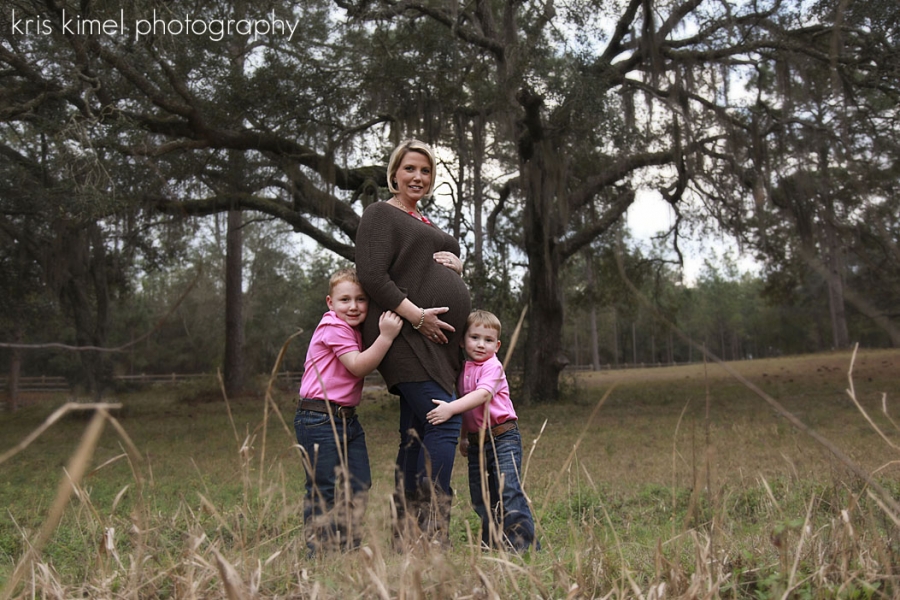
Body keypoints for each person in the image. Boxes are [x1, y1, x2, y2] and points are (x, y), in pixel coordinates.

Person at [355, 139, 471, 546]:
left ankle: (406, 533)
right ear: (394, 173)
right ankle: (433, 523)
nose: (417, 177)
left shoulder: (424, 222)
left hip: (437, 343)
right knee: (446, 417)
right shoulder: (380, 214)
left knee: (416, 433)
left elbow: (436, 264)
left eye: (425, 171)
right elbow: (371, 275)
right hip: (405, 335)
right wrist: (417, 316)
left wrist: (459, 263)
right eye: (409, 169)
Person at [294, 267, 403, 555]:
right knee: (324, 488)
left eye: (361, 299)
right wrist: (386, 337)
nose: (353, 306)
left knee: (359, 483)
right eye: (345, 300)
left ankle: (348, 546)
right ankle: (321, 554)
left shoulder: (352, 329)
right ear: (330, 302)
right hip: (318, 418)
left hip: (347, 419)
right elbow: (357, 365)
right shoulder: (333, 326)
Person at [426, 310, 539, 552]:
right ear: (462, 341)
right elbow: (471, 411)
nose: (480, 344)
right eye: (474, 337)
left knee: (508, 490)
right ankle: (492, 544)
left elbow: (482, 395)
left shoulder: (493, 366)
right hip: (478, 442)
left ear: (497, 345)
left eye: (488, 340)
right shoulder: (463, 370)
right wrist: (464, 438)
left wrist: (450, 409)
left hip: (503, 436)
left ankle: (522, 547)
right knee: (481, 497)